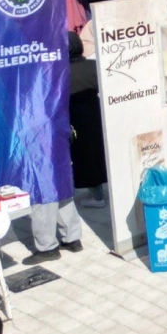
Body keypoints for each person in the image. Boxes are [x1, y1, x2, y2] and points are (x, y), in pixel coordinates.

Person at [68, 32, 106, 209]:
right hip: (96, 114)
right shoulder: (93, 65)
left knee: (84, 157)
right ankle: (98, 193)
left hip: (74, 118)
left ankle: (97, 197)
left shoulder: (60, 72)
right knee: (97, 153)